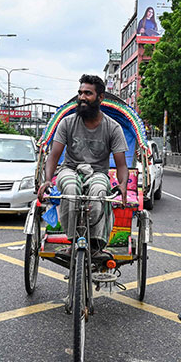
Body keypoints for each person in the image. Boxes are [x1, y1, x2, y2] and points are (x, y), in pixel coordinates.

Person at [37, 74, 128, 253]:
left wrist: (123, 185)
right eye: (80, 93)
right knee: (70, 189)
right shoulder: (67, 123)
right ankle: (73, 240)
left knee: (100, 191)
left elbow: (121, 165)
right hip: (69, 170)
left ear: (100, 97)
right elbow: (54, 156)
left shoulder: (113, 127)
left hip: (98, 173)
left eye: (88, 93)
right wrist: (47, 180)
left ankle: (95, 242)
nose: (82, 97)